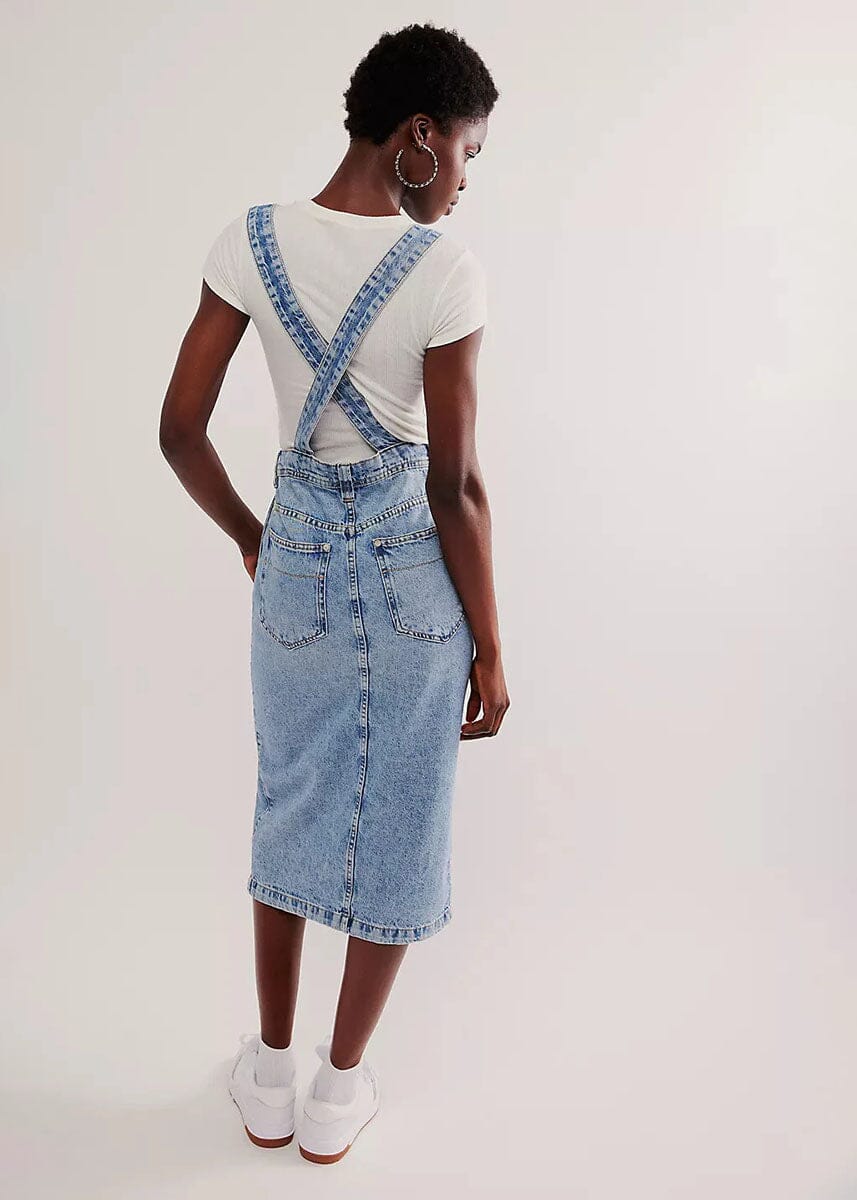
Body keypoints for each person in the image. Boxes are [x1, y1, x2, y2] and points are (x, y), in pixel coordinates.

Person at [159, 22, 509, 1164]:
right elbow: (453, 485)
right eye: (466, 153)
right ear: (419, 137)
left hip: (297, 565)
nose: (464, 181)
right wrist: (490, 646)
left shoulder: (249, 241)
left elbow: (179, 430)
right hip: (413, 578)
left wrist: (254, 539)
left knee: (291, 802)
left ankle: (268, 1076)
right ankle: (336, 1091)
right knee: (402, 819)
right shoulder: (444, 271)